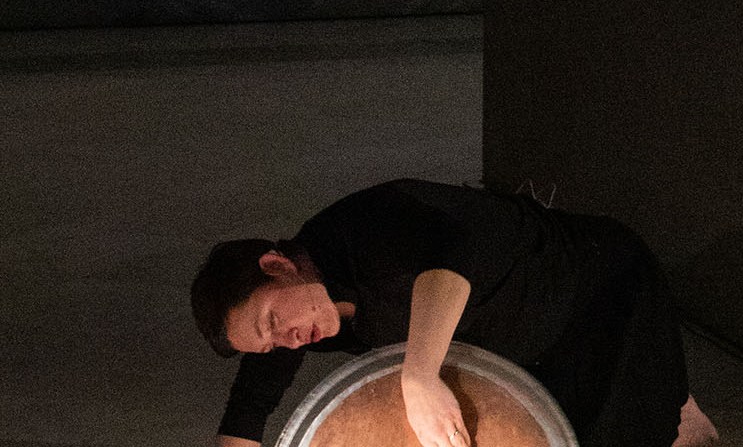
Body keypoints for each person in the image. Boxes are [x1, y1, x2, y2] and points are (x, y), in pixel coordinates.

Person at [193, 178, 711, 447]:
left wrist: (419, 377)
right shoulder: (302, 318)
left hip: (595, 294)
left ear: (277, 265)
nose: (284, 341)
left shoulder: (364, 228)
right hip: (524, 350)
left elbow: (458, 256)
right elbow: (247, 411)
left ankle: (682, 416)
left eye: (271, 324)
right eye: (269, 345)